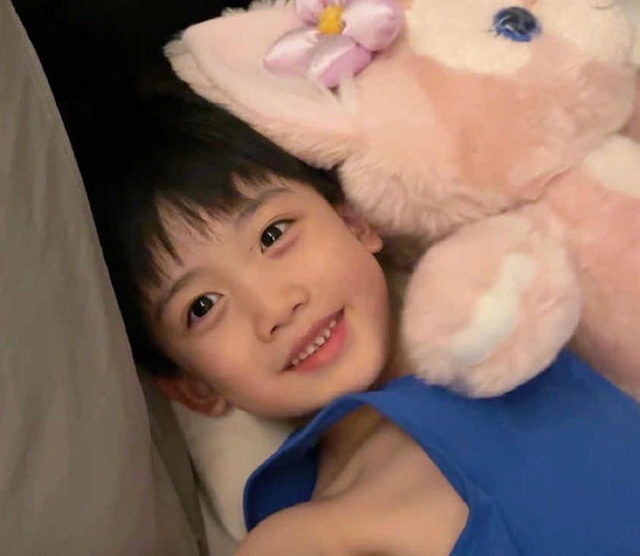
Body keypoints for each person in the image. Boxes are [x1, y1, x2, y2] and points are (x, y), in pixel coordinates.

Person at [99, 75, 640, 556]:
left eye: (273, 234)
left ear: (355, 223)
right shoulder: (306, 536)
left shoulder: (521, 313)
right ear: (193, 388)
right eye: (203, 307)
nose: (275, 307)